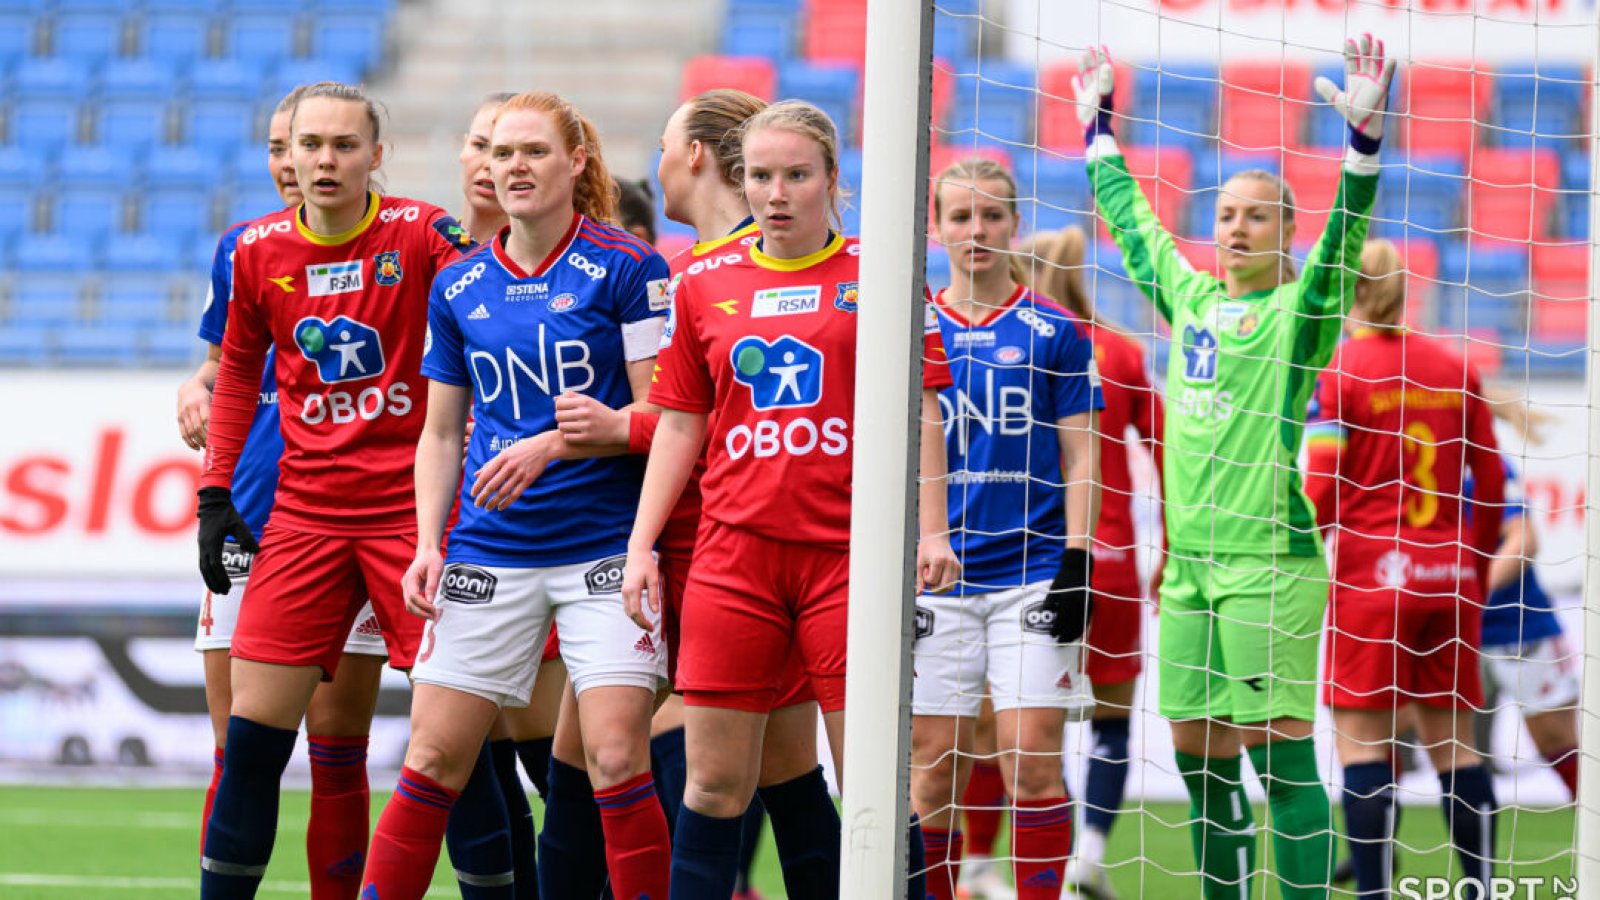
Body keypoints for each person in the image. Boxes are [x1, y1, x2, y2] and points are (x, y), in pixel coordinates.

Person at [1072, 36, 1392, 898]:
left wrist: (1360, 154)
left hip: (1270, 566)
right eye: (1225, 215)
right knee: (1198, 760)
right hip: (1187, 573)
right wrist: (1100, 135)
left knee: (1279, 759)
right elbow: (1138, 234)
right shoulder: (1193, 302)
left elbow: (1338, 252)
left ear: (1286, 229)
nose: (1237, 228)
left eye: (1257, 215)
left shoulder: (1300, 311)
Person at [621, 99, 960, 898]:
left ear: (832, 180)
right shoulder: (701, 280)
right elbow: (679, 424)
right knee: (712, 787)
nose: (777, 192)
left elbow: (923, 406)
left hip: (850, 563)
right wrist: (641, 545)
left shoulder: (880, 273)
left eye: (797, 175)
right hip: (732, 562)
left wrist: (931, 530)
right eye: (760, 175)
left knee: (872, 788)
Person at [362, 90, 674, 900]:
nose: (515, 168)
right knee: (431, 759)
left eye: (534, 152)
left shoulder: (629, 268)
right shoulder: (460, 284)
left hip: (605, 547)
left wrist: (558, 440)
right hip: (488, 550)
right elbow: (439, 435)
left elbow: (661, 418)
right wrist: (429, 543)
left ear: (576, 162)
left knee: (613, 757)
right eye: (501, 154)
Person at [192, 81, 475, 899]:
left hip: (411, 520)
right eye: (307, 144)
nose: (322, 160)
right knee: (249, 744)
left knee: (457, 746)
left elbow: (482, 317)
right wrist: (217, 494)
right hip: (302, 521)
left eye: (343, 146)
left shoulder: (424, 233)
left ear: (375, 156)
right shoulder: (253, 249)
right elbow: (236, 372)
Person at [177, 84, 390, 900]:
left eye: (315, 144)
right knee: (241, 748)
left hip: (358, 517)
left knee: (340, 744)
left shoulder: (394, 245)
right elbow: (219, 366)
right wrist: (189, 391)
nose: (295, 164)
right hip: (251, 518)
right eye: (281, 148)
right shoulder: (244, 248)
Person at [911, 159, 1103, 900]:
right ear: (936, 227)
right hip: (939, 579)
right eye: (960, 217)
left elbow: (1083, 453)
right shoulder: (911, 324)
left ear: (1015, 223)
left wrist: (1078, 560)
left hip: (1032, 573)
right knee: (933, 768)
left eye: (992, 216)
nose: (977, 231)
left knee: (1032, 760)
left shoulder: (1055, 330)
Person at [1304, 237, 1506, 898]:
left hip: (1373, 578)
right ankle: (1479, 886)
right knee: (1457, 749)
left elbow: (1324, 488)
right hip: (1449, 580)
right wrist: (1469, 565)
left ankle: (1372, 892)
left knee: (1363, 749)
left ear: (1345, 291)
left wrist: (1299, 550)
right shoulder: (1456, 368)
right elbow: (1492, 479)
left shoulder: (1339, 370)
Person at [1021, 225, 1166, 900]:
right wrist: (1170, 542)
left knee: (1019, 724)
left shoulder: (1020, 343)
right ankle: (1089, 856)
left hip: (1026, 563)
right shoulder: (1124, 353)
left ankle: (990, 866)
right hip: (1108, 563)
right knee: (1110, 720)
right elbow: (1172, 452)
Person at [1474, 459, 1579, 800]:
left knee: (1558, 741)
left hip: (1520, 629)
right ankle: (1377, 851)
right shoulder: (1400, 463)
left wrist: (1467, 592)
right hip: (1444, 633)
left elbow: (1524, 541)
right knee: (1399, 733)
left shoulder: (1488, 466)